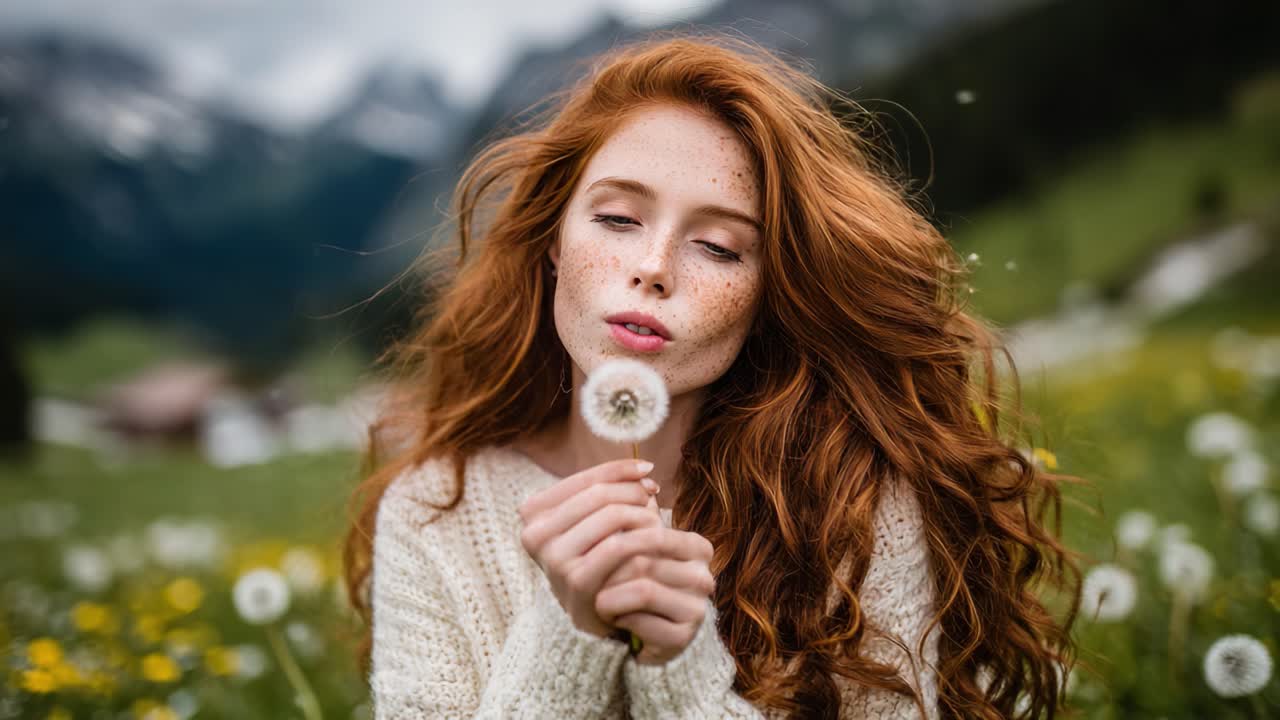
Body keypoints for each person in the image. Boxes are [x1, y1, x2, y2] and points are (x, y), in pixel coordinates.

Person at [342, 32, 1080, 719]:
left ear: (769, 296)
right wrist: (564, 635)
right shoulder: (436, 511)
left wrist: (682, 674)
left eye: (720, 248)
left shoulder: (853, 500)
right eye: (618, 220)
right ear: (554, 244)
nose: (654, 268)